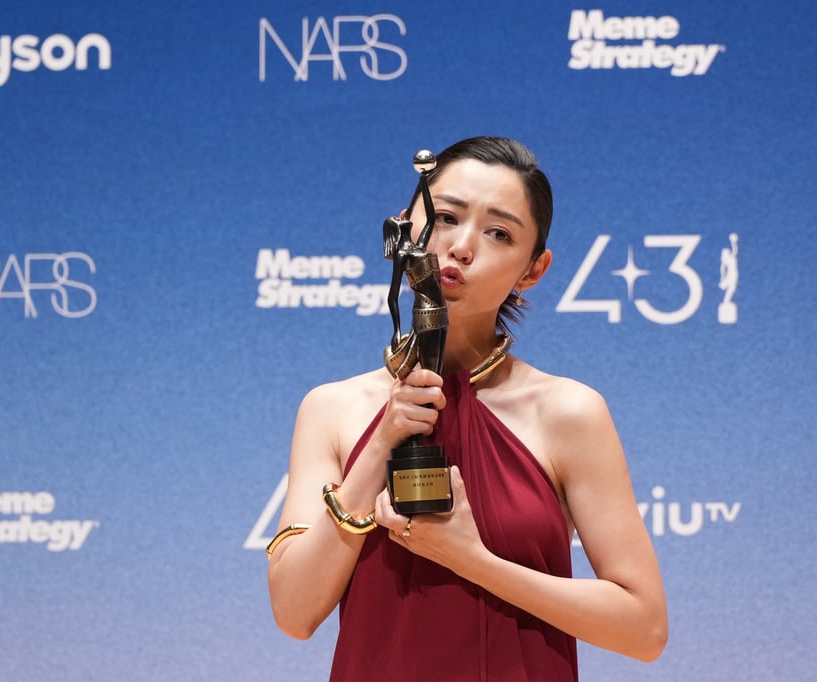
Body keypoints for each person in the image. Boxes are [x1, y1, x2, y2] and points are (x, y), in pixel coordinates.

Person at [267, 136, 668, 681]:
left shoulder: (568, 412)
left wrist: (470, 559)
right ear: (402, 228)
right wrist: (380, 445)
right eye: (445, 216)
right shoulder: (331, 408)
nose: (461, 247)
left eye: (499, 232)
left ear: (533, 269)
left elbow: (644, 629)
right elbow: (293, 613)